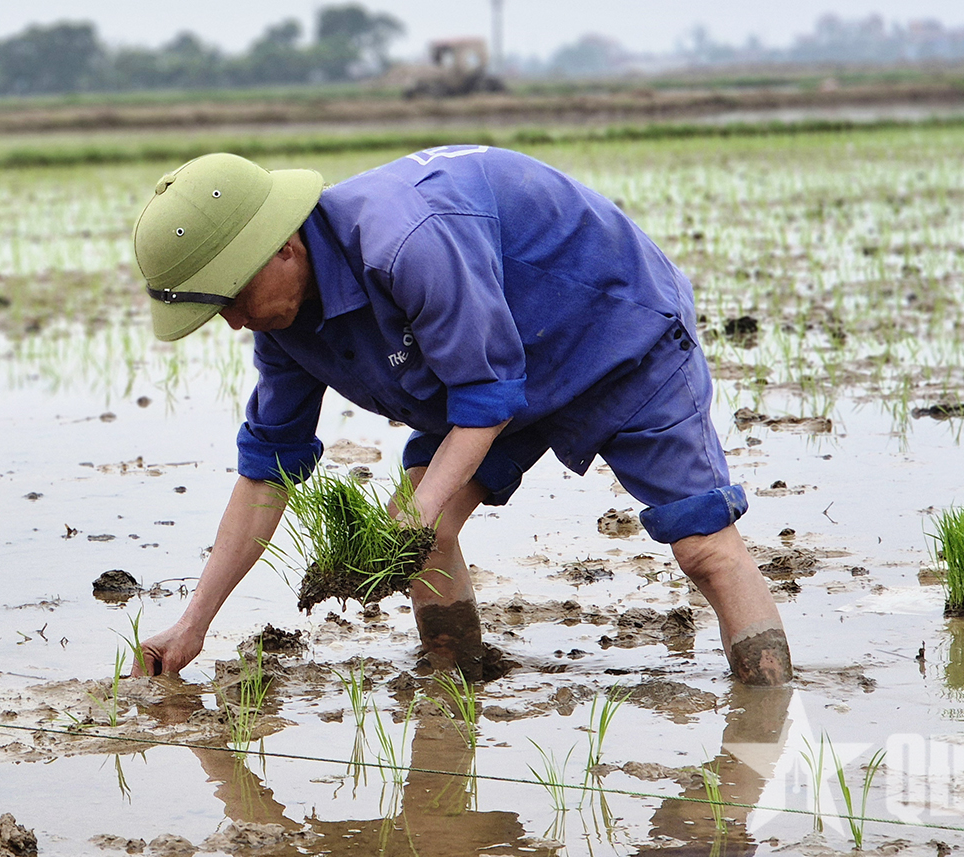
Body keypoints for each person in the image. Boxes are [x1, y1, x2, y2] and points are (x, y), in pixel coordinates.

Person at [128, 148, 792, 685]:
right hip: (492, 362)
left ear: (283, 247)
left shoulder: (405, 242)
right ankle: (453, 696)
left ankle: (768, 718)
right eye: (220, 312)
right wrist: (194, 623)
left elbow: (485, 393)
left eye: (235, 297)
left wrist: (411, 517)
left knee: (704, 546)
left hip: (610, 327)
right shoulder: (284, 327)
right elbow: (266, 470)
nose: (238, 321)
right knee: (428, 531)